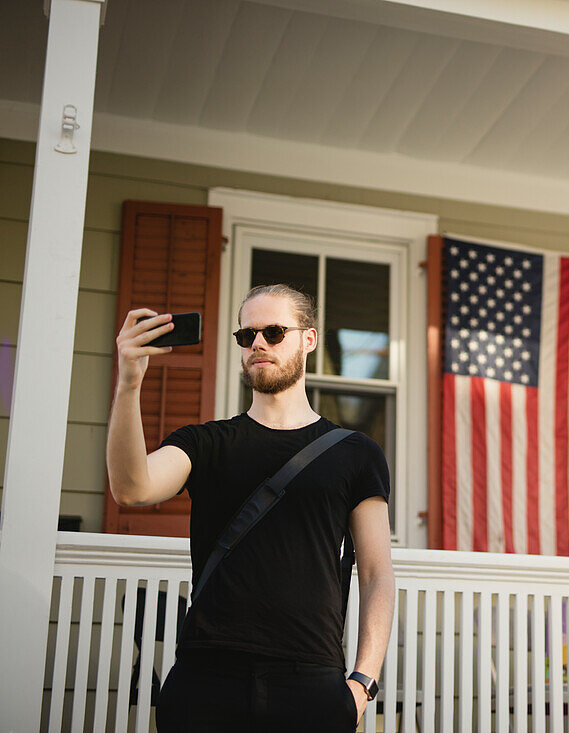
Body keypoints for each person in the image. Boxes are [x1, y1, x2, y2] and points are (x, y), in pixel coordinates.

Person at [107, 284, 395, 732]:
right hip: (206, 679)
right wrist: (129, 382)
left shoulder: (357, 453)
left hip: (311, 682)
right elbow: (132, 488)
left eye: (275, 332)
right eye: (247, 335)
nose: (258, 343)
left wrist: (362, 682)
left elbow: (377, 574)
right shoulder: (204, 443)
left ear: (309, 340)